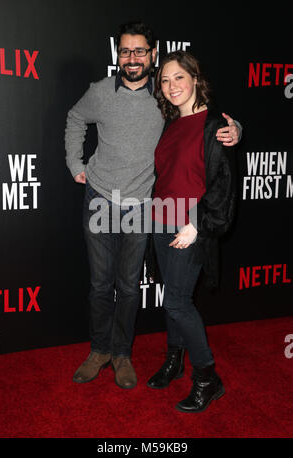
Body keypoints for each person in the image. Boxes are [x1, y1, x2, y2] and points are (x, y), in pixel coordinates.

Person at [65, 21, 241, 390]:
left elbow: (207, 125)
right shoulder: (104, 92)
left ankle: (123, 354)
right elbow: (75, 118)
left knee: (129, 286)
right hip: (100, 199)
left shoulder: (164, 101)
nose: (132, 58)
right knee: (100, 285)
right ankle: (100, 351)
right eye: (125, 51)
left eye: (140, 51)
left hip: (142, 207)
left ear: (152, 54)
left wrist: (236, 128)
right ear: (118, 54)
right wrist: (75, 165)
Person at [147, 50, 236, 412]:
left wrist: (196, 225)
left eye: (178, 77)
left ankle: (207, 377)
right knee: (173, 297)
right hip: (160, 220)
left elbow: (222, 187)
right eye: (165, 80)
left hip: (189, 226)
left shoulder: (216, 127)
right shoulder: (170, 124)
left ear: (196, 79)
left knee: (178, 302)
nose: (171, 86)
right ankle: (174, 360)